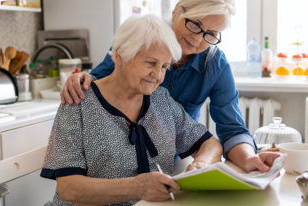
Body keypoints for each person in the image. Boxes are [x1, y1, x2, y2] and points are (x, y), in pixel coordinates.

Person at [60, 0, 281, 174]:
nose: (198, 38)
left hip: (165, 164)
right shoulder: (140, 38)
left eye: (211, 34)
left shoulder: (215, 64)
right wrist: (80, 79)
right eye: (195, 24)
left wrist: (250, 158)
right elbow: (99, 83)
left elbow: (232, 130)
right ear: (177, 11)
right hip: (113, 163)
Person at [41, 14, 223, 206]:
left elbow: (211, 144)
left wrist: (201, 164)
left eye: (164, 66)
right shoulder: (77, 102)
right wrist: (137, 187)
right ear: (119, 55)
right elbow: (69, 188)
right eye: (150, 63)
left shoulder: (161, 100)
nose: (158, 75)